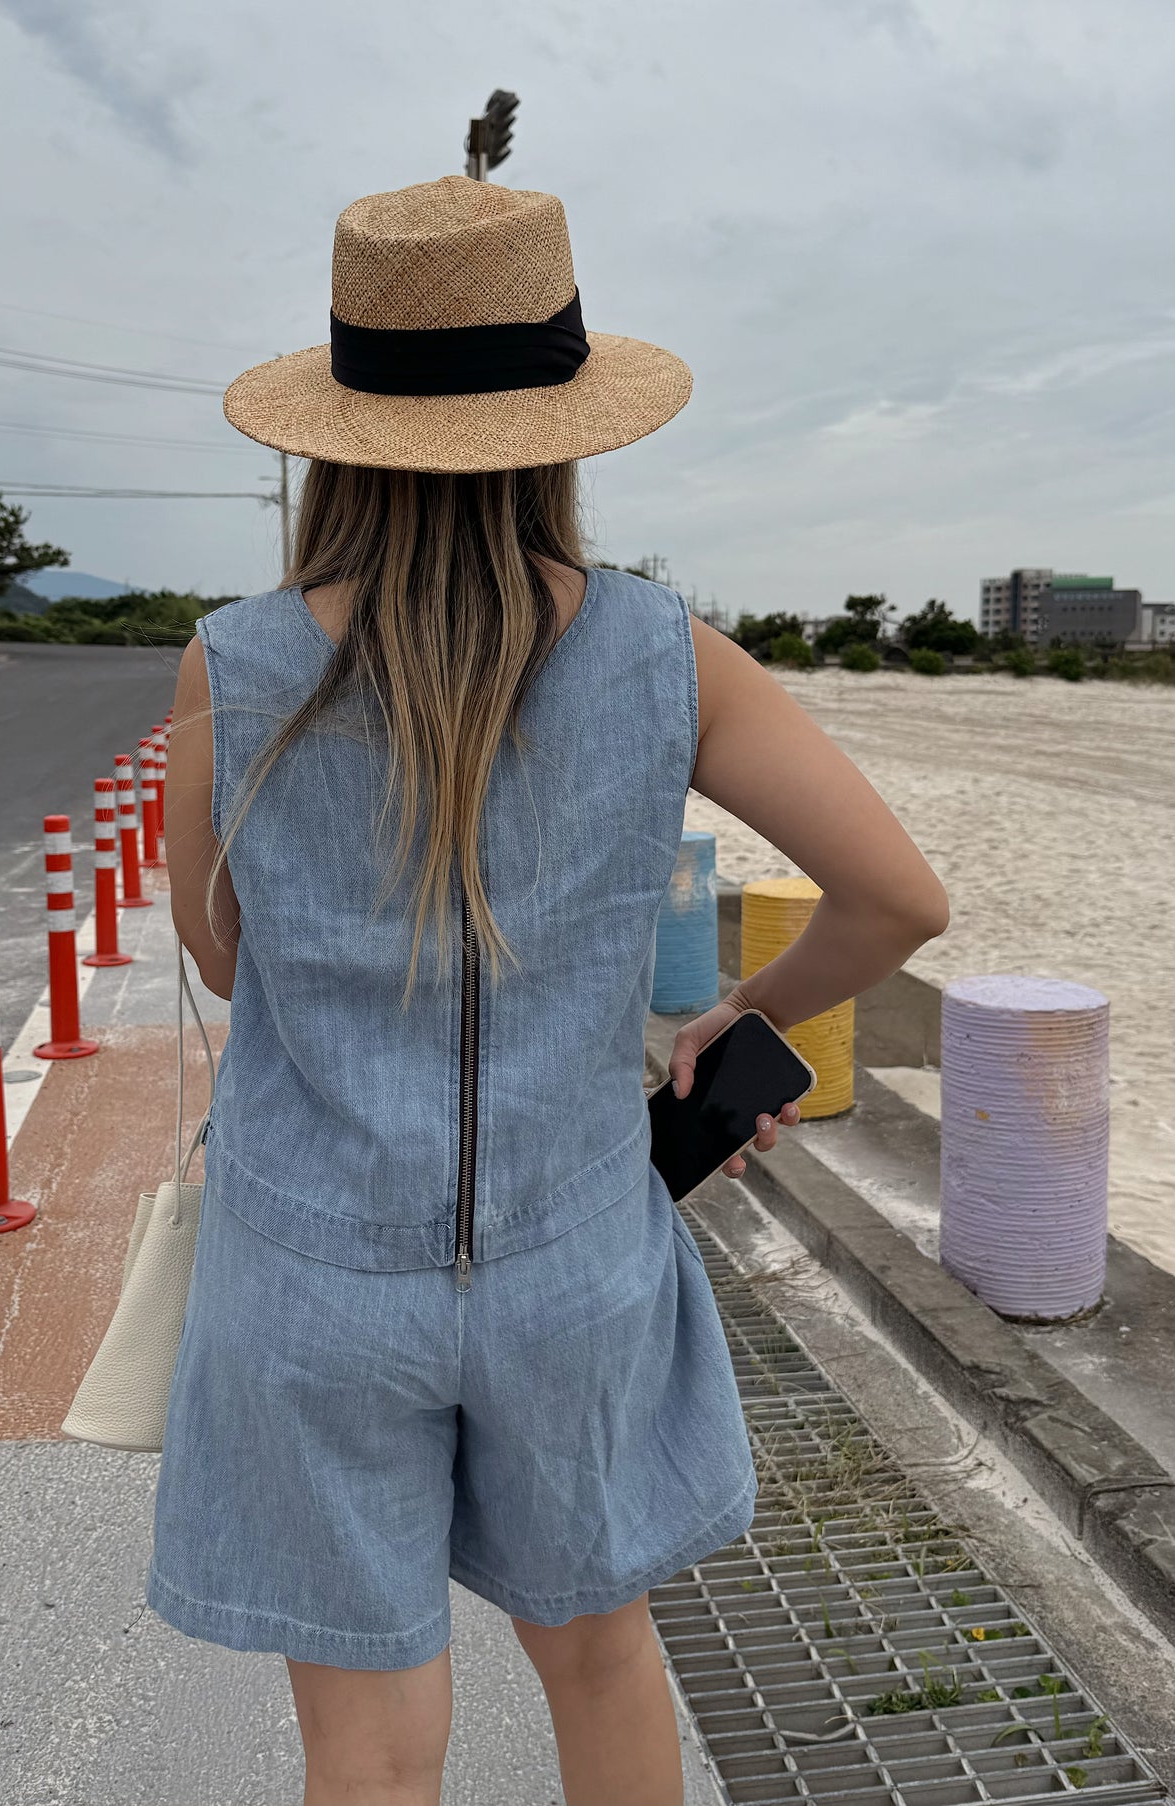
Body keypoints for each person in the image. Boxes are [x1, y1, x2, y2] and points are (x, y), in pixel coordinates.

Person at [151, 174, 949, 1806]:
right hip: (573, 1248)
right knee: (600, 1662)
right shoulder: (666, 652)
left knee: (367, 1749)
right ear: (561, 428)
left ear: (336, 434)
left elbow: (226, 954)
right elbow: (895, 899)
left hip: (308, 1266)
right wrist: (744, 1014)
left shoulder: (228, 663)